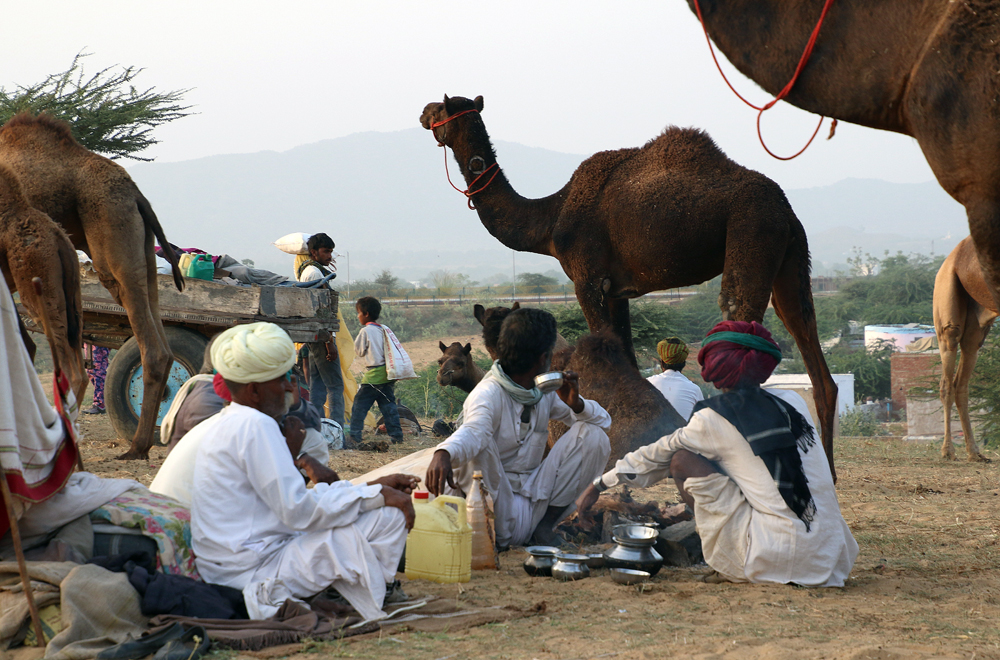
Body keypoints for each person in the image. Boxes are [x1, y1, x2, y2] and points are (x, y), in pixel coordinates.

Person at [576, 320, 858, 587]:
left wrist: (598, 484)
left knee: (682, 460)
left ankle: (727, 560)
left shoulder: (713, 418)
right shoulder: (793, 400)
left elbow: (656, 455)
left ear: (712, 370)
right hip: (830, 556)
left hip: (777, 557)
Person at [187, 322, 417, 620]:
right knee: (386, 516)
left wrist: (372, 489)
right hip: (254, 572)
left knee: (368, 510)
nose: (288, 387)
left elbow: (293, 506)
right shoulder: (255, 426)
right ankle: (359, 592)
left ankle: (332, 591)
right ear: (254, 391)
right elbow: (299, 512)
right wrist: (375, 495)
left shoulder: (234, 420)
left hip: (243, 563)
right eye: (281, 379)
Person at [425, 307, 611, 548]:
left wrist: (577, 404)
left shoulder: (542, 392)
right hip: (496, 512)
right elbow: (473, 431)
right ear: (544, 358)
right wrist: (444, 452)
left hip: (537, 505)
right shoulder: (488, 393)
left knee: (593, 435)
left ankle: (544, 529)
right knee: (481, 446)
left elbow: (603, 422)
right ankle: (495, 536)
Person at [295, 232, 344, 427]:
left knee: (317, 385)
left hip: (313, 337)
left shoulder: (306, 271)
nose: (329, 256)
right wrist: (329, 342)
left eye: (331, 252)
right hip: (321, 336)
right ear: (313, 252)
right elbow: (321, 313)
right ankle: (337, 429)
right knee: (335, 386)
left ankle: (313, 426)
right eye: (325, 252)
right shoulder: (315, 274)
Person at [349, 297, 405, 447]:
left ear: (366, 314)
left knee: (359, 407)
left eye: (358, 313)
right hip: (387, 374)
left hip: (373, 375)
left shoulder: (365, 331)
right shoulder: (384, 329)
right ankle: (397, 436)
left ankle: (355, 436)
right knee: (389, 407)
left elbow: (360, 351)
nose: (357, 316)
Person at [646, 337, 705, 420]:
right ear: (683, 364)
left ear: (662, 362)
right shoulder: (694, 389)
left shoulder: (647, 384)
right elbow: (702, 421)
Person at [83, 344, 110, 414]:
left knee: (98, 371)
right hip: (88, 342)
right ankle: (103, 400)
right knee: (90, 371)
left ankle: (100, 404)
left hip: (97, 341)